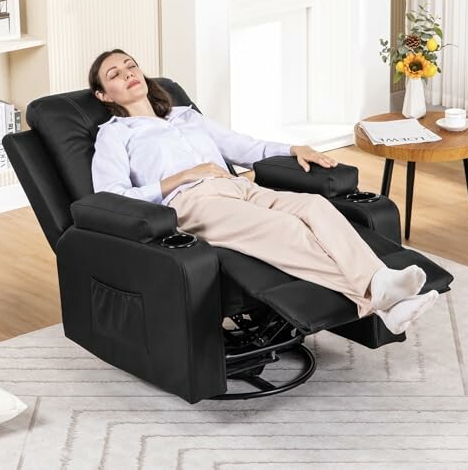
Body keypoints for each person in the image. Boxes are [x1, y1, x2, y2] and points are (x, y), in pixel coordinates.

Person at [89, 49, 439, 335]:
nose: (127, 73)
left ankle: (382, 289)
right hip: (191, 204)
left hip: (239, 187)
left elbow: (243, 146)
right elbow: (110, 196)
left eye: (130, 65)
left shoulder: (185, 117)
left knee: (315, 207)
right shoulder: (116, 134)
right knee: (286, 229)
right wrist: (180, 177)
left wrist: (293, 149)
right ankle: (378, 298)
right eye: (114, 74)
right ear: (104, 95)